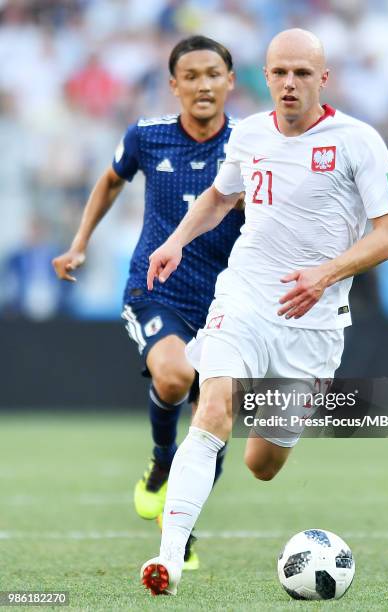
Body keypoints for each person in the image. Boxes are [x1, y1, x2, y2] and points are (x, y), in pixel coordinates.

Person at [141, 27, 388, 596]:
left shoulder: (359, 141)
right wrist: (177, 240)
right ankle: (169, 558)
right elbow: (219, 195)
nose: (288, 84)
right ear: (265, 75)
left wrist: (326, 273)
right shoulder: (251, 134)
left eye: (301, 74)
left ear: (323, 79)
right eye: (278, 72)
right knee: (211, 406)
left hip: (313, 325)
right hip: (245, 298)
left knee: (262, 463)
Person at [52, 35, 244, 570]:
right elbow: (110, 181)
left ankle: (181, 529)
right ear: (174, 85)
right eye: (192, 75)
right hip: (155, 288)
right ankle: (161, 464)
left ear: (230, 81)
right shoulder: (148, 136)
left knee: (217, 415)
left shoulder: (253, 145)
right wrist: (80, 242)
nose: (203, 85)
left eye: (213, 74)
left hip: (227, 301)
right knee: (176, 375)